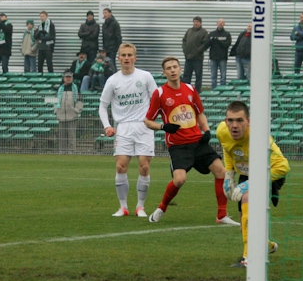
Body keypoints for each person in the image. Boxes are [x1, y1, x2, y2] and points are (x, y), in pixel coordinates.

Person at [144, 57, 239, 226]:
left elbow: (200, 113)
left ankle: (221, 215)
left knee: (221, 172)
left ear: (180, 69)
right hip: (178, 146)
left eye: (175, 67)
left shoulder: (190, 89)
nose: (172, 70)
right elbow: (148, 121)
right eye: (168, 68)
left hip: (198, 142)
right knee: (179, 180)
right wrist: (163, 127)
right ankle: (161, 207)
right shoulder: (159, 93)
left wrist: (207, 130)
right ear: (164, 72)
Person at [217, 101, 288, 268]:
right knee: (245, 226)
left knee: (247, 198)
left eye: (239, 120)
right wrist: (228, 173)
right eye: (230, 120)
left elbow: (283, 167)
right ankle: (266, 246)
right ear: (225, 121)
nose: (234, 125)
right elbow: (228, 149)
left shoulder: (260, 137)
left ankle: (248, 259)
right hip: (246, 174)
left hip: (270, 174)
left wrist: (253, 183)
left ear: (248, 121)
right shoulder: (222, 131)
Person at [99, 42, 158, 217]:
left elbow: (156, 100)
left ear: (135, 58)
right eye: (123, 55)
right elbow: (103, 106)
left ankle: (140, 207)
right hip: (123, 127)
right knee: (120, 166)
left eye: (129, 55)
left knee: (144, 167)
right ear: (118, 58)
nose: (126, 58)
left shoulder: (145, 76)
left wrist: (152, 120)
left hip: (143, 126)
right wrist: (107, 125)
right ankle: (123, 207)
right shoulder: (113, 80)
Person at [55, 71, 83, 154]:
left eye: (69, 77)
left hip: (72, 116)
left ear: (72, 78)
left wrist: (76, 110)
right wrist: (56, 110)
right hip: (61, 115)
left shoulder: (76, 89)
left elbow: (80, 101)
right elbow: (56, 100)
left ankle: (72, 151)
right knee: (62, 136)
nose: (68, 79)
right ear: (64, 78)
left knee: (71, 135)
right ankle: (62, 151)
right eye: (66, 77)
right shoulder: (60, 89)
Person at [182, 17, 208, 88]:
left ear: (200, 23)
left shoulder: (204, 32)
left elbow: (205, 44)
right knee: (186, 76)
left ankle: (197, 92)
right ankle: (185, 90)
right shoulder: (189, 31)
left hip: (197, 59)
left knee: (198, 76)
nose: (196, 23)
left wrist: (197, 51)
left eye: (197, 22)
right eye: (194, 21)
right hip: (188, 58)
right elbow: (184, 40)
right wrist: (185, 50)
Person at [207, 19, 232, 89]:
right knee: (213, 76)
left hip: (222, 58)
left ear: (224, 24)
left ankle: (222, 90)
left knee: (223, 76)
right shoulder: (211, 34)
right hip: (213, 58)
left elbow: (227, 44)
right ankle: (214, 90)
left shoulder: (227, 34)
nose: (221, 23)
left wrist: (218, 41)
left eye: (222, 22)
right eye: (219, 22)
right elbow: (207, 44)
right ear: (216, 23)